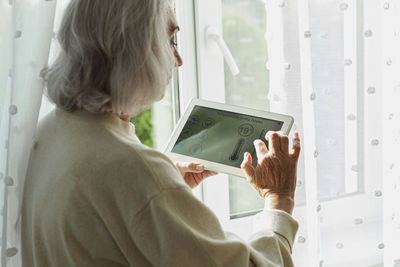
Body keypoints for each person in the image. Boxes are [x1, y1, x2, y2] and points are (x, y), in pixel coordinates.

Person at [21, 0, 301, 266]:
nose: (178, 60)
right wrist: (278, 199)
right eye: (171, 41)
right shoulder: (130, 169)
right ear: (134, 50)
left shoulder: (52, 129)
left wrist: (162, 193)